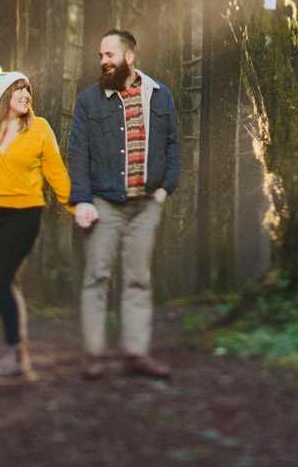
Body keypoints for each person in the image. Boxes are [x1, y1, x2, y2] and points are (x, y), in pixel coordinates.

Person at [65, 29, 179, 380]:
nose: (103, 61)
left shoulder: (160, 96)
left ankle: (136, 354)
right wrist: (82, 200)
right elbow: (76, 152)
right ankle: (94, 356)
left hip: (145, 206)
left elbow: (173, 145)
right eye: (100, 56)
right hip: (105, 203)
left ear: (129, 57)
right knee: (97, 277)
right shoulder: (89, 100)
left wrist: (165, 189)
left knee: (138, 280)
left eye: (109, 55)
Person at [0, 61, 70, 378]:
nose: (26, 94)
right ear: (3, 96)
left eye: (28, 89)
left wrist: (79, 207)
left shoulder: (40, 129)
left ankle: (12, 356)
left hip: (24, 214)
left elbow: (56, 173)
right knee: (5, 285)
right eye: (20, 89)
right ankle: (19, 353)